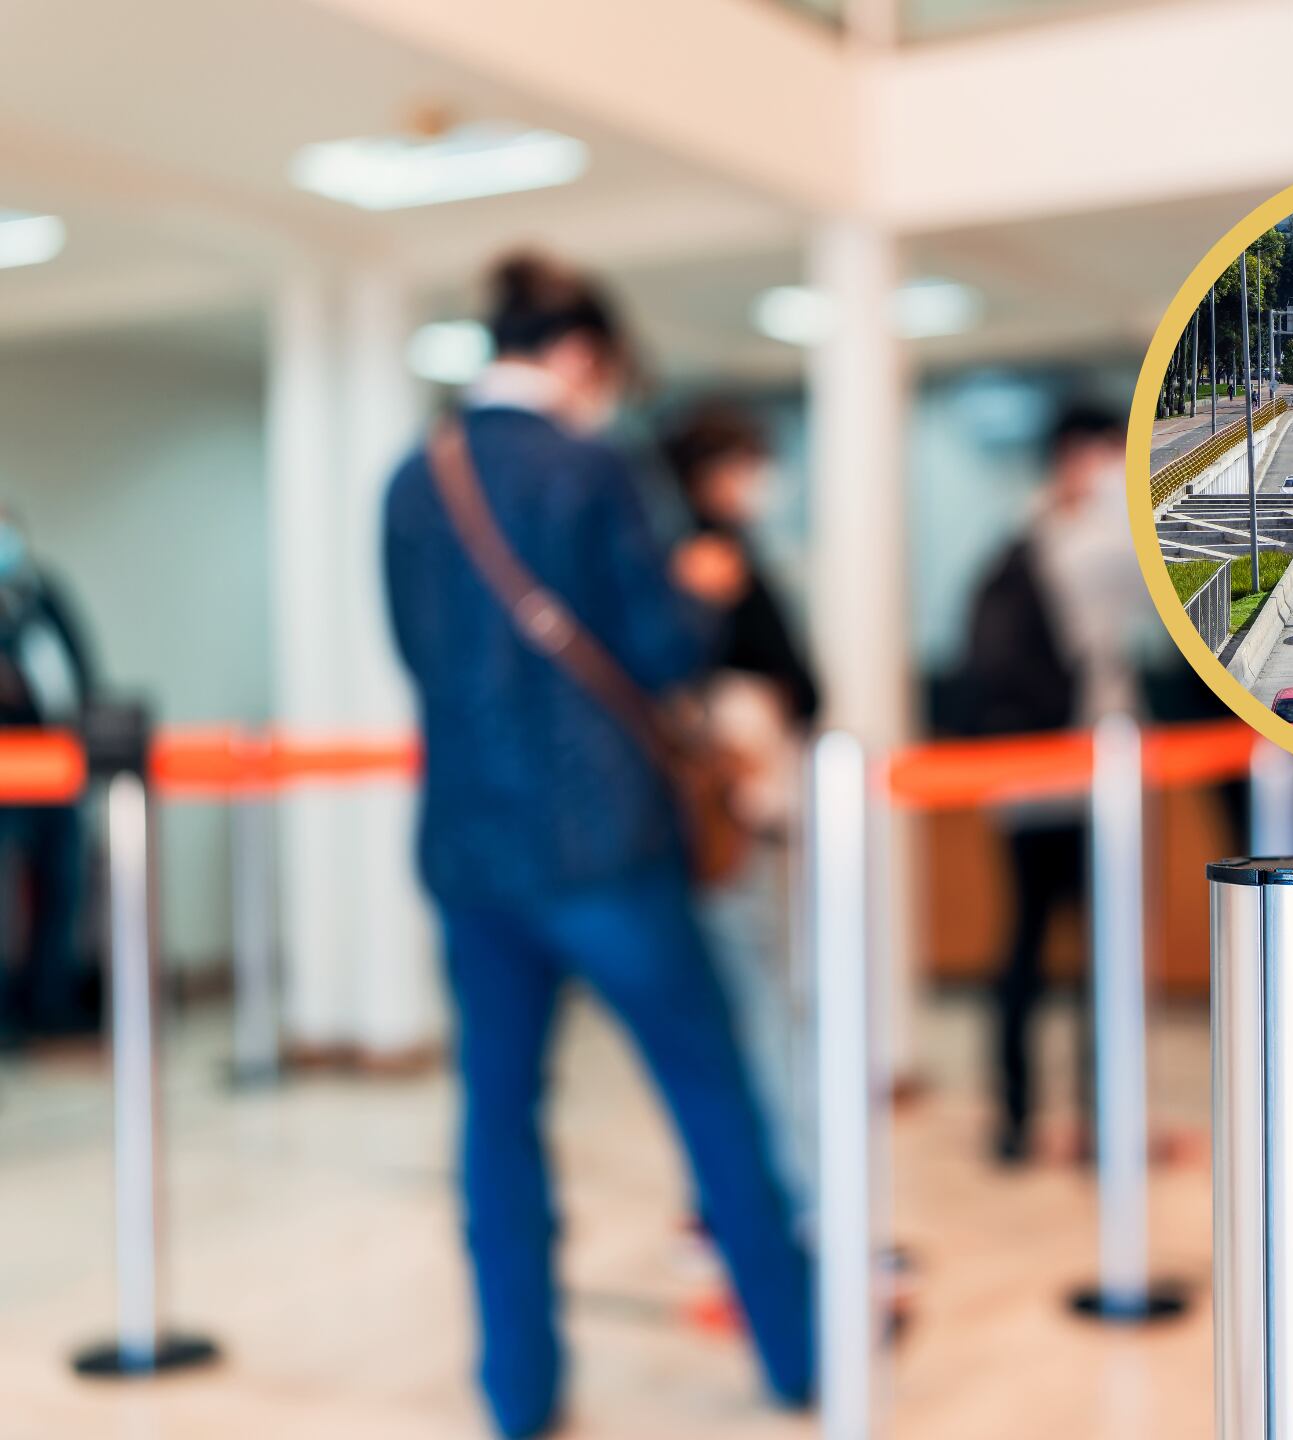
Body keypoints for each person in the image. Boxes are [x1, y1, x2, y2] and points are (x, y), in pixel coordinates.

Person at [383, 253, 812, 1437]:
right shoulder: (592, 468)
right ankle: (796, 1353)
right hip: (606, 848)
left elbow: (423, 661)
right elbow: (662, 652)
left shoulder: (412, 482)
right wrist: (707, 582)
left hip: (472, 853)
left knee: (496, 1122)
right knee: (712, 1096)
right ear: (579, 355)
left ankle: (517, 1393)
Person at [960, 400, 1146, 1165]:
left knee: (1024, 946)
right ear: (1082, 458)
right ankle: (1102, 1125)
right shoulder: (1094, 547)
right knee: (1102, 953)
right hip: (1086, 771)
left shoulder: (1015, 538)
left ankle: (1013, 1120)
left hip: (1021, 781)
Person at [661, 402, 819, 1205]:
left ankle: (755, 1188)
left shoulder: (734, 551)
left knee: (760, 997)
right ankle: (761, 1193)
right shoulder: (699, 557)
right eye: (745, 464)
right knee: (749, 1003)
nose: (758, 481)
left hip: (757, 807)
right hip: (729, 815)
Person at [0, 508, 96, 1048]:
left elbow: (79, 661)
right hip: (7, 773)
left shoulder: (43, 593)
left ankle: (50, 1003)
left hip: (60, 765)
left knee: (64, 885)